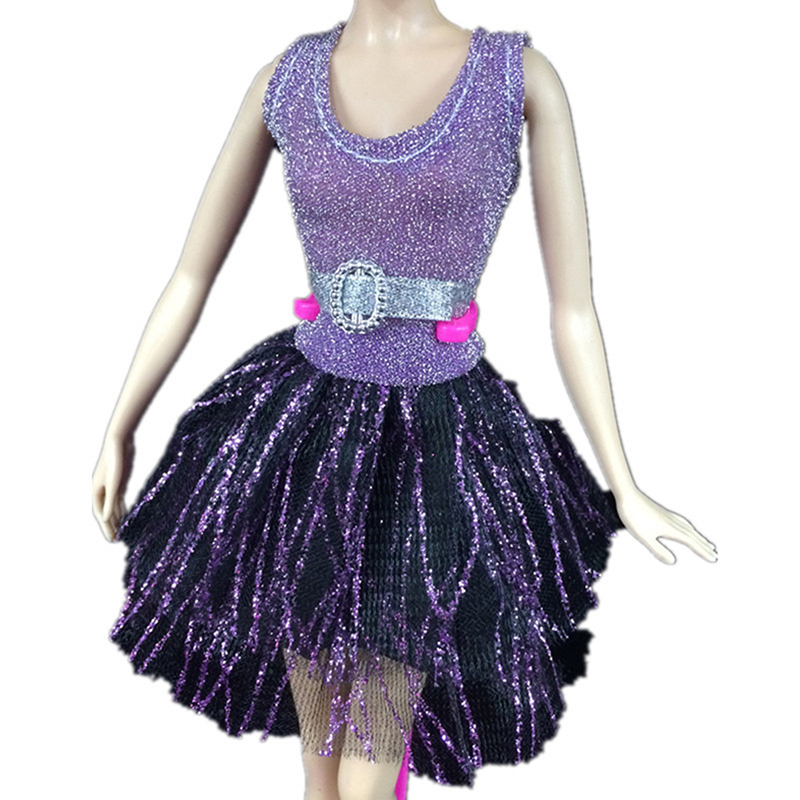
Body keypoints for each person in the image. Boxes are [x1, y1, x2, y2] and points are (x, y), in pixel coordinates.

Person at [92, 1, 717, 798]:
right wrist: (120, 425)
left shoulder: (516, 78)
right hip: (312, 443)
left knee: (367, 760)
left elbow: (573, 309)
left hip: (431, 446)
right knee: (322, 767)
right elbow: (190, 275)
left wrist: (624, 482)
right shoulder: (286, 80)